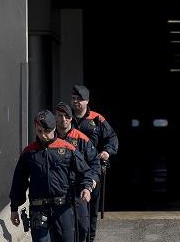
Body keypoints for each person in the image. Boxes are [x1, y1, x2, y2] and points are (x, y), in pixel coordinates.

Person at [10, 110, 94, 242]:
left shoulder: (67, 149)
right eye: (39, 131)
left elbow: (85, 172)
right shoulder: (28, 153)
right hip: (38, 209)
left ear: (54, 128)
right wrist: (14, 207)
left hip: (63, 208)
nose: (43, 135)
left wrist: (87, 188)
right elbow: (19, 182)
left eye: (46, 131)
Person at [70, 85, 118, 242]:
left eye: (80, 99)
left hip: (92, 169)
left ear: (87, 101)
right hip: (70, 169)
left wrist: (107, 151)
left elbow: (112, 138)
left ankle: (90, 238)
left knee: (91, 207)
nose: (76, 102)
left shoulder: (97, 119)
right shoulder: (66, 118)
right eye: (73, 99)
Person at [54, 102, 101, 242]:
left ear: (71, 118)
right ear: (55, 118)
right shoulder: (50, 139)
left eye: (66, 116)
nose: (63, 119)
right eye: (60, 116)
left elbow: (95, 164)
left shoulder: (82, 139)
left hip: (79, 191)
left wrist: (88, 186)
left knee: (82, 227)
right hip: (58, 193)